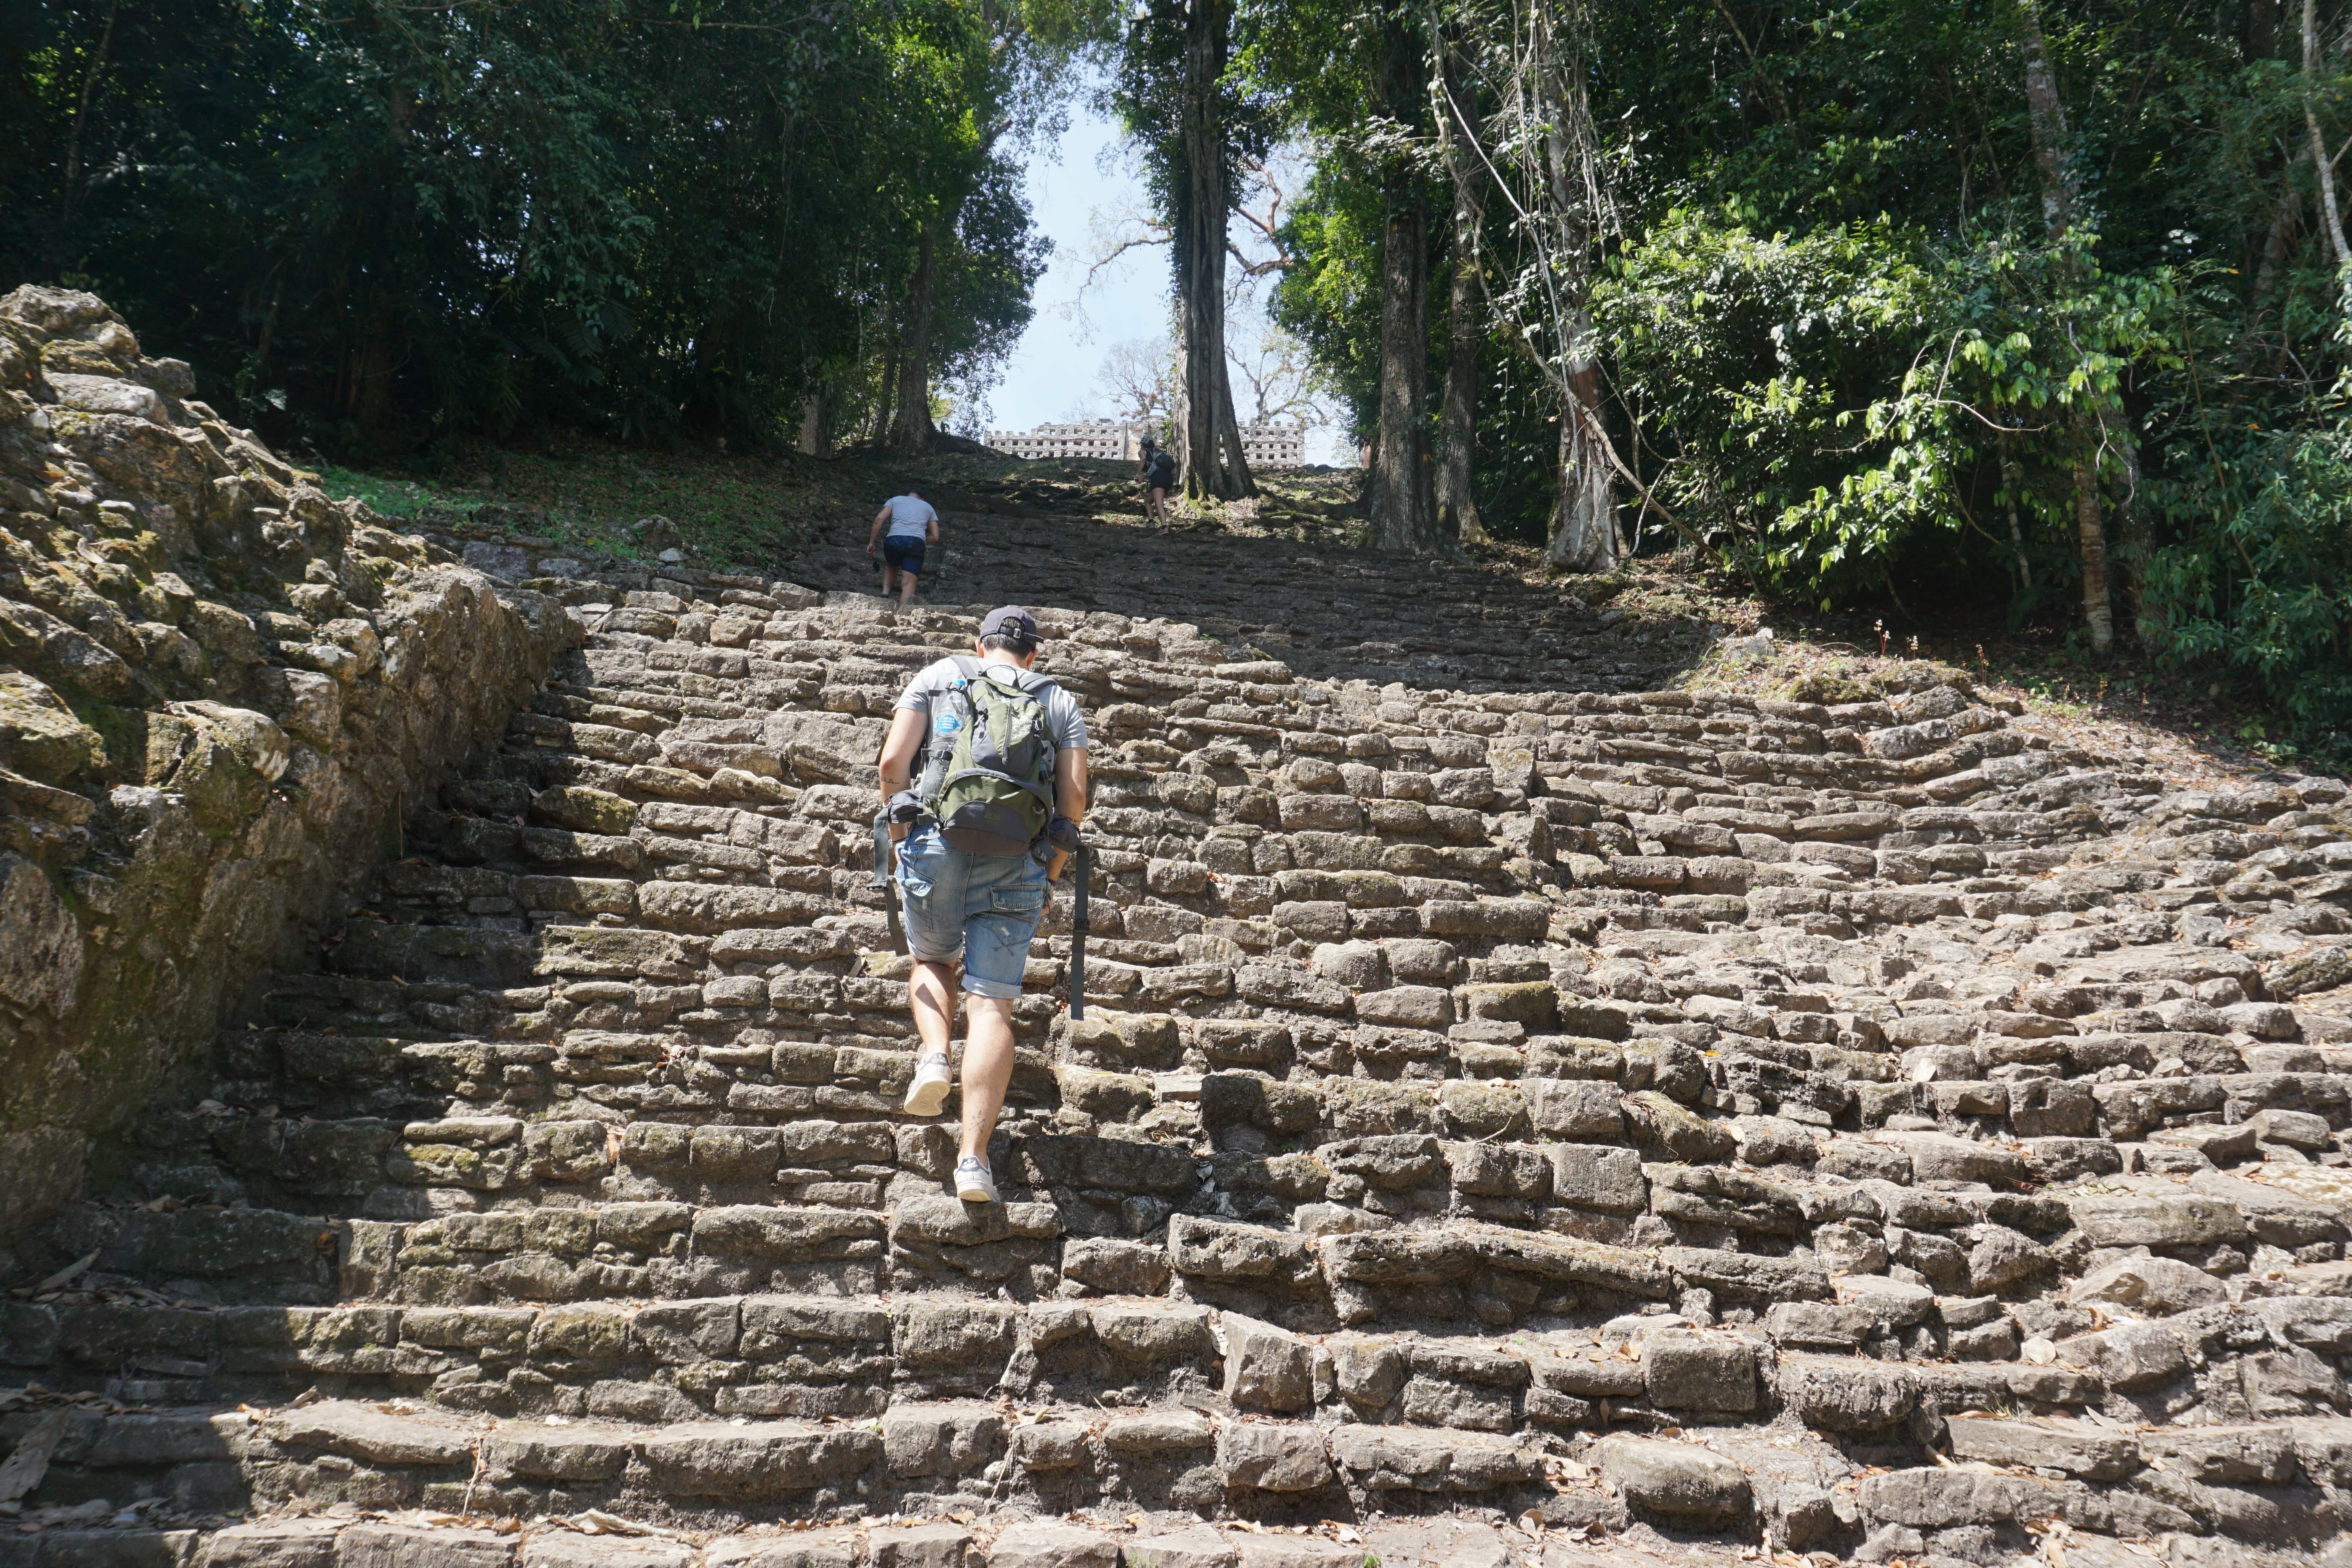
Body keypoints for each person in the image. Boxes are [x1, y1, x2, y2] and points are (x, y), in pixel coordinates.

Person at [877, 606, 1089, 1203]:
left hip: (936, 844)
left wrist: (902, 845)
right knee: (992, 1003)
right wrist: (1047, 875)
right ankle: (973, 1162)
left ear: (980, 645)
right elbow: (1073, 803)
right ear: (1033, 654)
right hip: (1016, 857)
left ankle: (936, 1056)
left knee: (932, 960)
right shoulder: (1058, 701)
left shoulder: (938, 676)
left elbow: (893, 765)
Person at [866, 488, 940, 608]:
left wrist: (872, 543)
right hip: (916, 543)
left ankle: (885, 594)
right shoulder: (928, 507)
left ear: (907, 495)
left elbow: (879, 519)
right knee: (909, 583)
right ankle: (904, 613)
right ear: (922, 498)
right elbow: (935, 537)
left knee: (892, 566)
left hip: (894, 539)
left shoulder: (895, 500)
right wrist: (919, 539)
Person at [1138, 437, 1178, 535]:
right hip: (1168, 479)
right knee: (1148, 500)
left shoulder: (1143, 451)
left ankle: (1164, 528)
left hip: (1158, 477)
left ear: (1143, 444)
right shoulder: (1159, 452)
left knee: (1159, 503)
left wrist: (1137, 474)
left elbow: (1143, 460)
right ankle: (1151, 522)